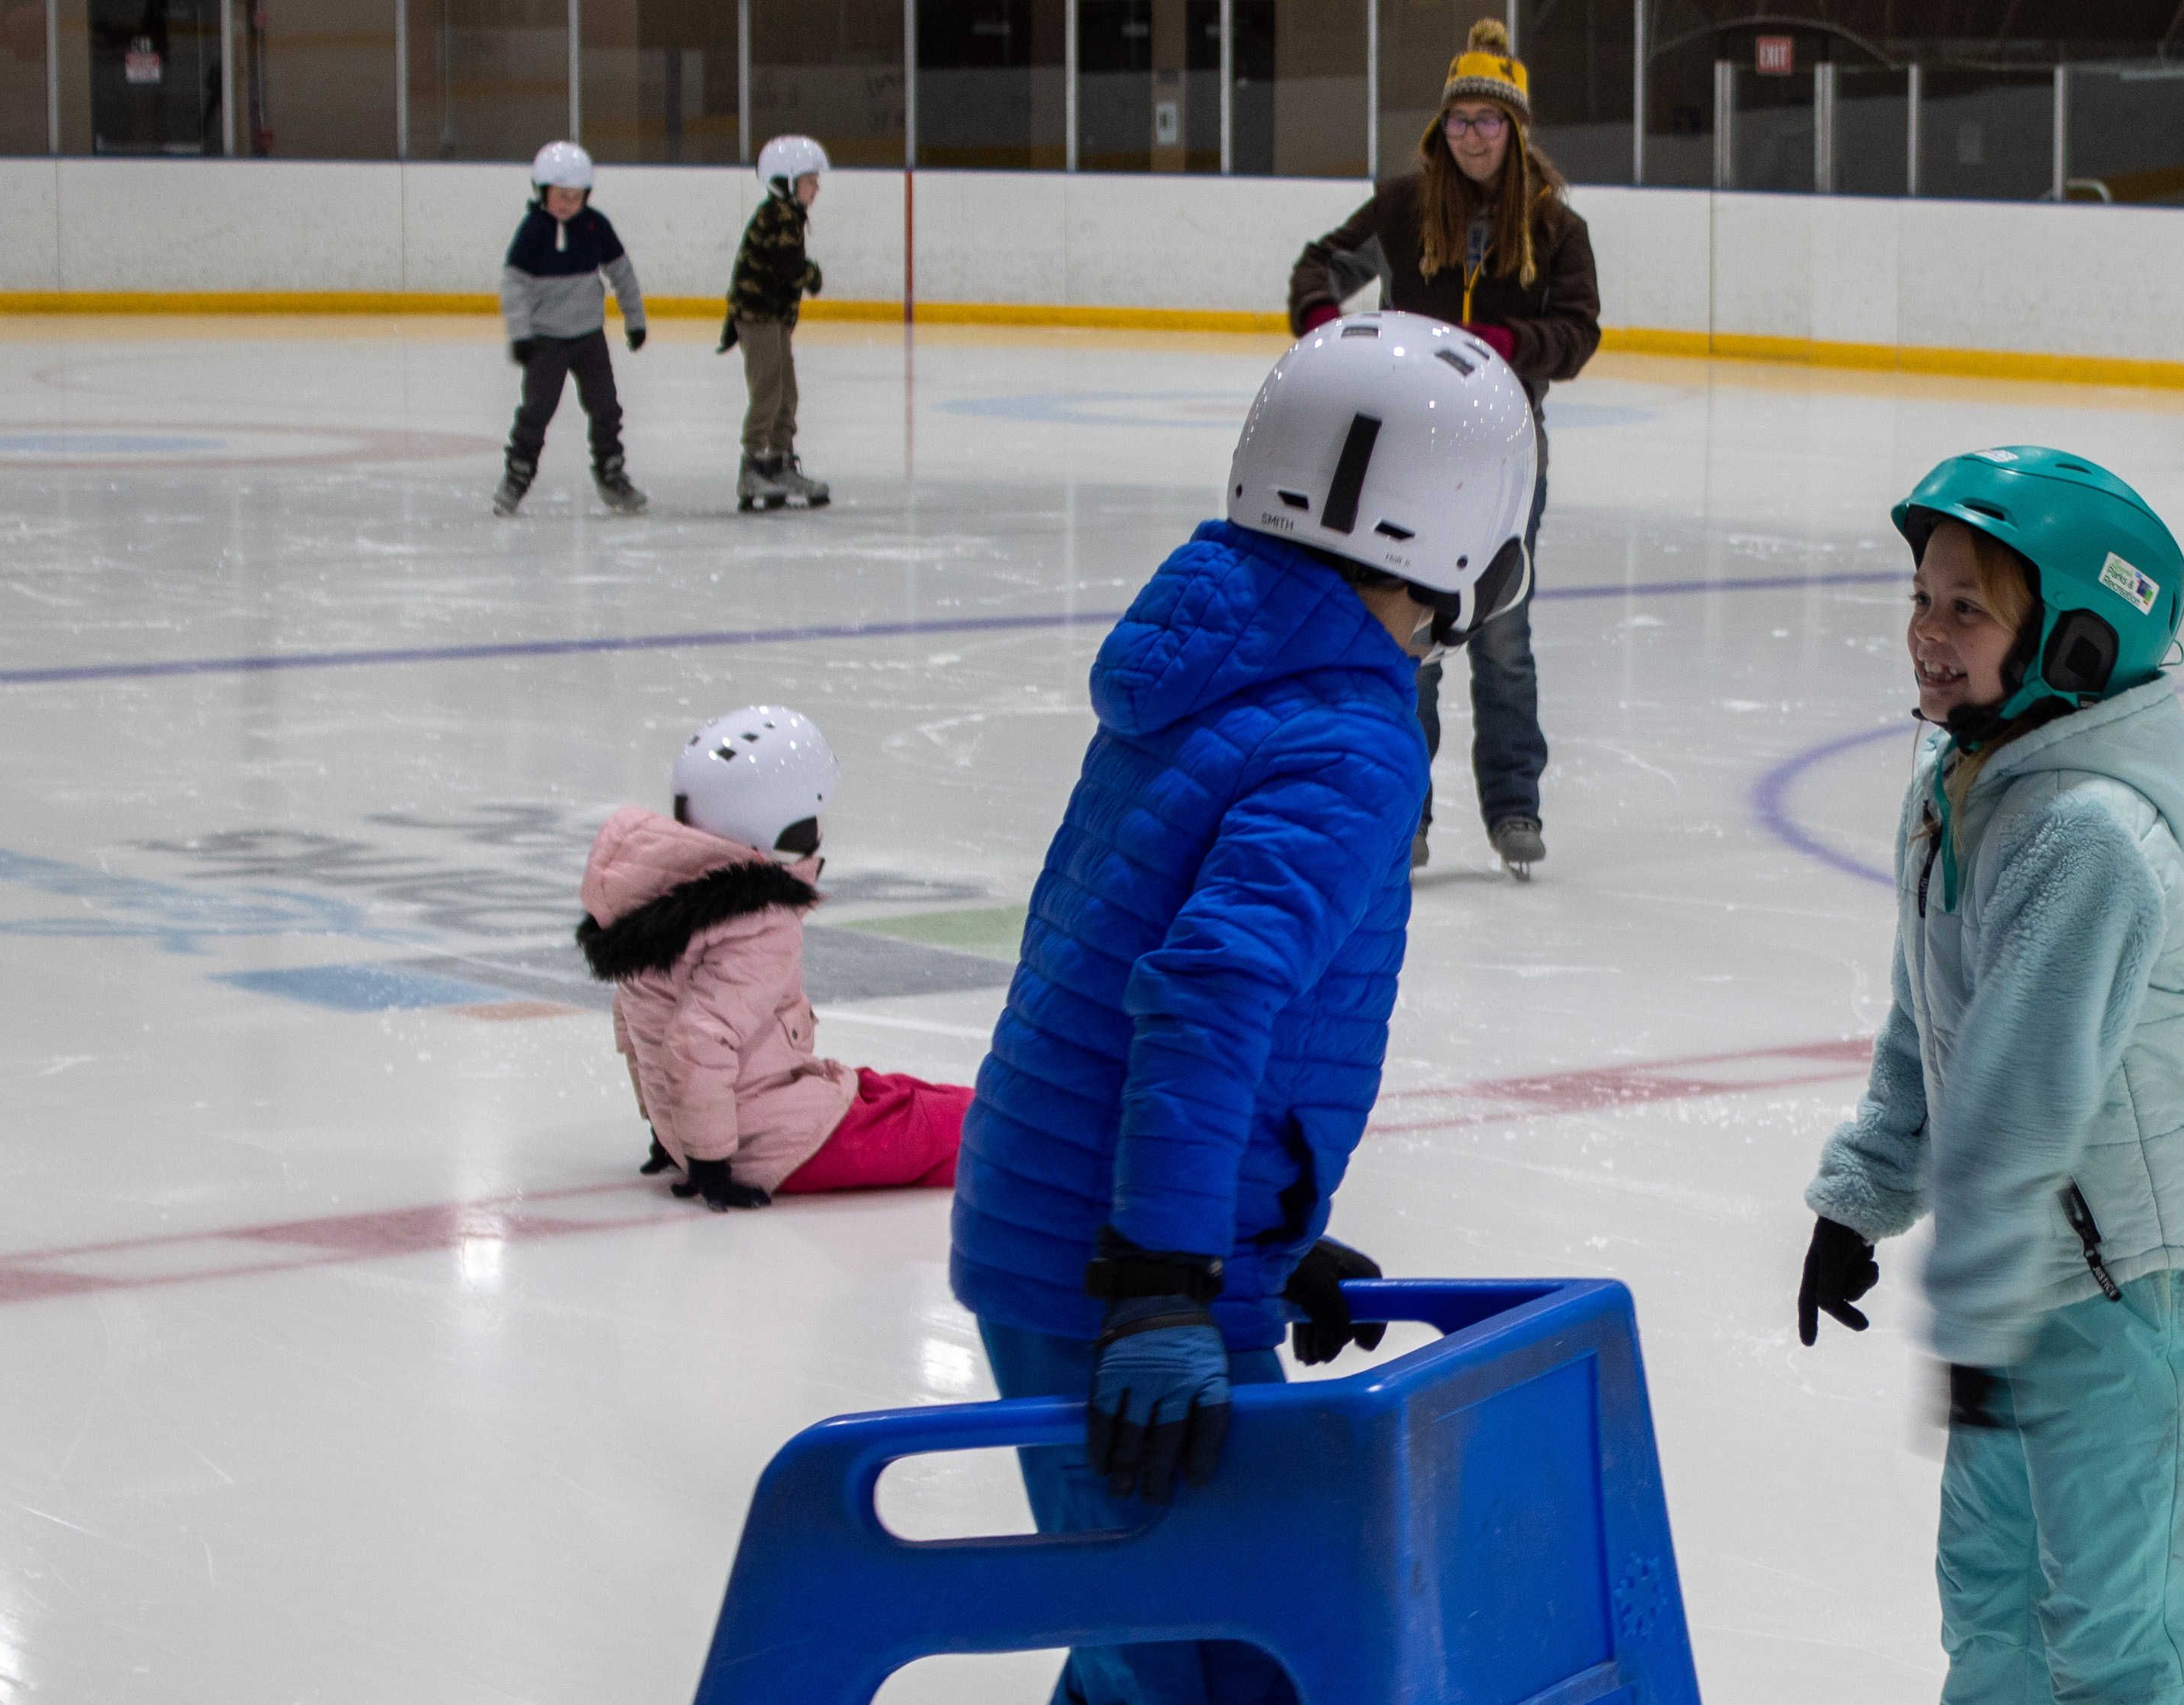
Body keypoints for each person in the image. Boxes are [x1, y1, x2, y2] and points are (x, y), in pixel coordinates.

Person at [950, 313, 1539, 1705]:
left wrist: (1257, 1227)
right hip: (1116, 1267)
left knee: (1151, 1638)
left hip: (1078, 1221)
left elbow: (1117, 963)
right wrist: (1167, 1274)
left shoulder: (1216, 663)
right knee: (1235, 1664)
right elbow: (1206, 995)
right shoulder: (1346, 735)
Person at [1794, 445, 2184, 1705]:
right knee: (1993, 1611)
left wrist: (1970, 1303)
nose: (1926, 632)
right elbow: (1927, 1013)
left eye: (1968, 607)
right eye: (1922, 596)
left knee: (2124, 1640)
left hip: (2128, 1289)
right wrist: (1862, 1192)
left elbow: (2018, 1095)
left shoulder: (2088, 836)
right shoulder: (1959, 781)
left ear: (2078, 642)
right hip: (2016, 1273)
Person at [1286, 17, 1598, 879]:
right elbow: (1321, 267)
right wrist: (1326, 327)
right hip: (1409, 455)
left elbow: (1578, 333)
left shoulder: (1555, 228)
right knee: (1405, 634)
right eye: (1459, 119)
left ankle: (1514, 804)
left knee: (1502, 635)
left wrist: (1509, 344)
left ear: (1515, 130)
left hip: (1506, 454)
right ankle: (1405, 809)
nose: (1472, 136)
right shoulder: (1403, 207)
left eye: (1488, 120)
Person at [575, 706, 969, 1208]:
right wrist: (709, 1162)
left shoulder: (657, 899)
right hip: (770, 1144)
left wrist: (668, 1128)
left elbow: (637, 1023)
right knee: (980, 1133)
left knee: (910, 1095)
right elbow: (698, 1039)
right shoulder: (756, 919)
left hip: (748, 1112)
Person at [495, 142, 649, 518]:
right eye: (559, 196)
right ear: (542, 192)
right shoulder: (533, 230)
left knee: (606, 408)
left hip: (590, 339)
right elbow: (514, 284)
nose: (567, 203)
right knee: (537, 411)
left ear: (587, 196)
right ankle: (517, 475)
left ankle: (611, 474)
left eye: (575, 197)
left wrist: (635, 319)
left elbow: (622, 273)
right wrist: (520, 334)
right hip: (545, 342)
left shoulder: (596, 226)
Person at [721, 135, 832, 512]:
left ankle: (779, 462)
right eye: (810, 180)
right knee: (769, 390)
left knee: (787, 392)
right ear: (786, 181)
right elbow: (789, 268)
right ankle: (754, 464)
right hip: (758, 317)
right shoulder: (780, 216)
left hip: (773, 318)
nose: (816, 188)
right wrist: (813, 275)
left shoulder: (788, 215)